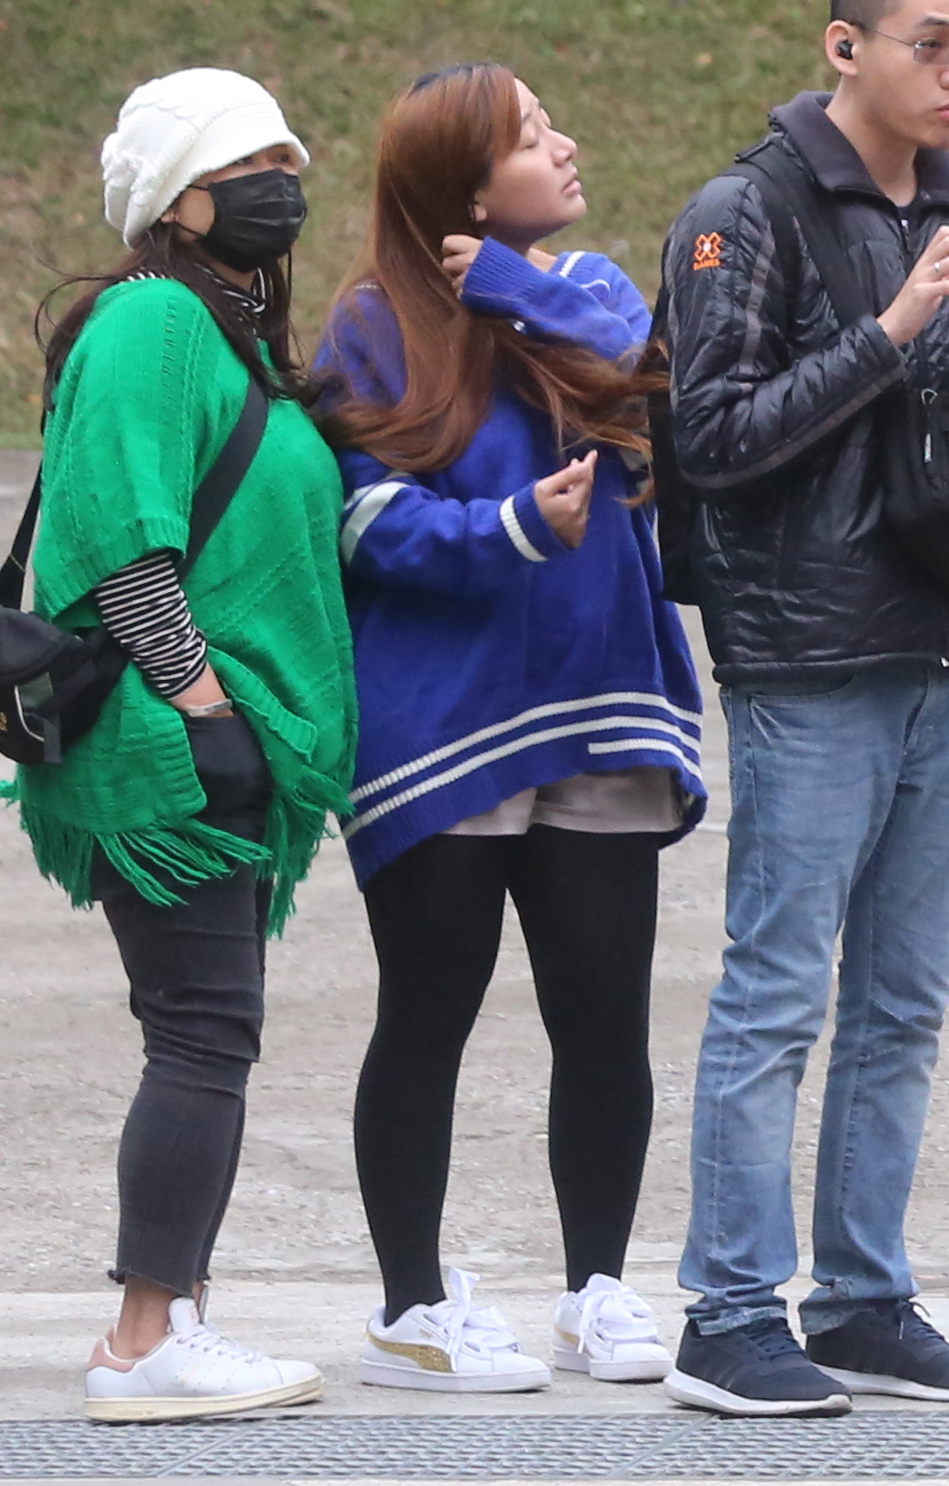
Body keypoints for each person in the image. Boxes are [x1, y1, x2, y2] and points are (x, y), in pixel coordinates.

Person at [655, 0, 949, 1418]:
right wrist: (897, 326)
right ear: (847, 47)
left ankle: (866, 1297)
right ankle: (730, 1310)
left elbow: (947, 432)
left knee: (906, 996)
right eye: (930, 44)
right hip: (808, 648)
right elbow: (718, 438)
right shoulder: (739, 212)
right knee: (776, 992)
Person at [318, 67, 709, 1398]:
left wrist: (504, 283)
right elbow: (359, 520)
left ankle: (598, 1289)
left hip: (599, 708)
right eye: (536, 136)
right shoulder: (371, 326)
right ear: (468, 187)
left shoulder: (583, 290)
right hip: (441, 729)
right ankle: (412, 1306)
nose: (569, 143)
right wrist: (506, 531)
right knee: (428, 1014)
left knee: (604, 1020)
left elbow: (642, 369)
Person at [9, 67, 358, 1424]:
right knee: (203, 1032)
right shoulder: (154, 319)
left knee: (204, 1027)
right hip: (170, 750)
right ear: (189, 194)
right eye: (262, 155)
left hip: (208, 743)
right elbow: (122, 544)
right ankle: (147, 1336)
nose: (292, 175)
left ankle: (174, 1320)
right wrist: (208, 709)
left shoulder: (222, 337)